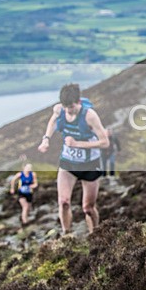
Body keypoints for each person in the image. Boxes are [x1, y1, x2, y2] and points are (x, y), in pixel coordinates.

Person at [38, 84, 109, 235]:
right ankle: (67, 235)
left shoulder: (90, 115)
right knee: (63, 202)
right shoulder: (59, 110)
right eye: (65, 107)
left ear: (78, 102)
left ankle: (95, 235)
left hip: (90, 165)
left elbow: (105, 142)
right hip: (68, 163)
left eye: (71, 107)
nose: (68, 110)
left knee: (88, 208)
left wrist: (78, 144)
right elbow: (52, 122)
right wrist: (46, 139)